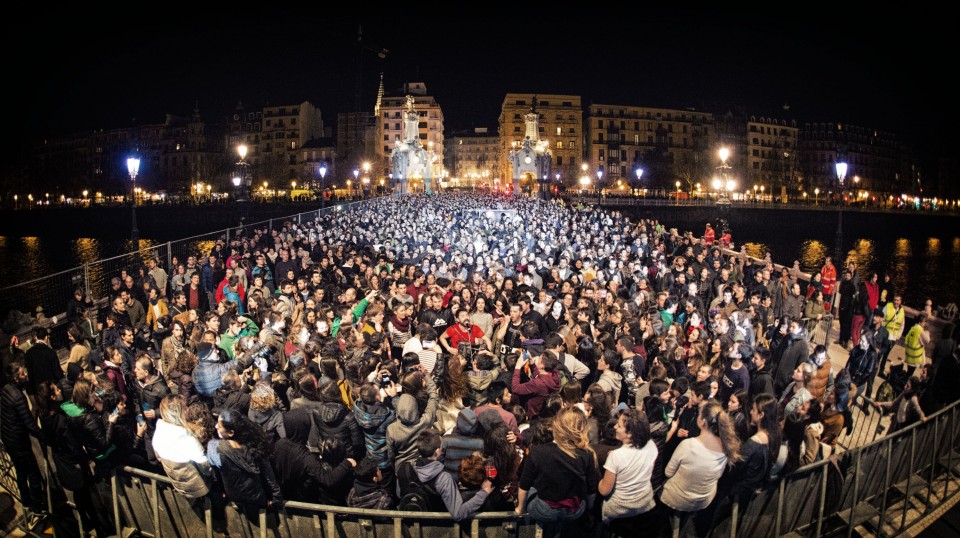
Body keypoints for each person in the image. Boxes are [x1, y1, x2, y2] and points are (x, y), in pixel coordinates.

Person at [516, 407, 599, 528]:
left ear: (556, 425)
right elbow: (592, 490)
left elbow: (524, 486)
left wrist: (520, 510)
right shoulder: (588, 454)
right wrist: (588, 509)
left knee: (532, 488)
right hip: (574, 511)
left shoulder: (537, 452)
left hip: (545, 511)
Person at [660, 401, 740, 520]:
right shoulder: (727, 446)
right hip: (704, 499)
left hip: (678, 498)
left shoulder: (688, 445)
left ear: (703, 421)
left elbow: (668, 472)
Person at [398, 429, 492, 521]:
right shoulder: (443, 478)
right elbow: (458, 513)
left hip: (410, 520)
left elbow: (399, 494)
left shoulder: (403, 468)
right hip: (434, 525)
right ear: (437, 451)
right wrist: (484, 492)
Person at [207, 409, 284, 519]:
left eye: (219, 425)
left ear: (231, 432)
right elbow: (269, 475)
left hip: (234, 496)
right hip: (257, 496)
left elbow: (216, 475)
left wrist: (221, 491)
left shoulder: (216, 448)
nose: (216, 427)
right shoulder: (255, 445)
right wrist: (276, 499)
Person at [1, 359, 46, 524]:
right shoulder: (18, 396)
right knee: (33, 474)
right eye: (22, 374)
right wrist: (44, 436)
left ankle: (26, 503)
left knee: (21, 473)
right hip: (19, 442)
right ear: (15, 378)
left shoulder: (6, 389)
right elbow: (29, 424)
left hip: (8, 439)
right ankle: (37, 509)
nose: (25, 375)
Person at [598, 409, 658, 523]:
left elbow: (604, 490)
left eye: (619, 426)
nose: (615, 427)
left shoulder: (616, 456)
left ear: (630, 433)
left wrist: (598, 478)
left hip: (620, 509)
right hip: (644, 502)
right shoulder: (652, 445)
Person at [151, 395, 212, 501]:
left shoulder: (159, 431)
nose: (187, 410)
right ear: (178, 412)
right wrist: (212, 473)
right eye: (185, 408)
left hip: (178, 484)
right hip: (199, 487)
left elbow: (159, 457)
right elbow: (204, 465)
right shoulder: (186, 437)